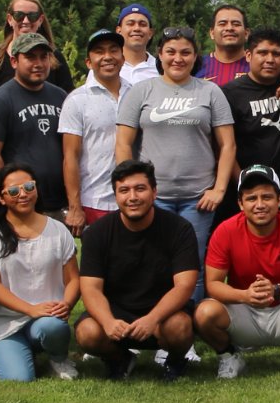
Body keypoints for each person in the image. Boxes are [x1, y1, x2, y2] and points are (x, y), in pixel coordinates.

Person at [115, 25, 237, 292]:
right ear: (160, 54)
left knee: (193, 259)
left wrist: (219, 189)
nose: (178, 58)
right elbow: (123, 142)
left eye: (185, 52)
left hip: (198, 198)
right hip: (153, 196)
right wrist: (130, 187)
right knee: (152, 257)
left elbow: (227, 145)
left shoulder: (210, 92)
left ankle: (192, 316)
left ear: (196, 57)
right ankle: (155, 313)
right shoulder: (141, 91)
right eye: (171, 52)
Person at [194, 165, 280, 381]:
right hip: (244, 308)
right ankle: (229, 356)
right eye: (251, 198)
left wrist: (277, 290)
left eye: (267, 197)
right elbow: (213, 284)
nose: (259, 205)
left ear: (279, 199)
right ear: (240, 203)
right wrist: (244, 296)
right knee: (204, 312)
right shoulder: (225, 230)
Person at [75, 160, 201, 381]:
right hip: (117, 315)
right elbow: (90, 288)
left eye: (140, 189)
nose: (132, 197)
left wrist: (152, 319)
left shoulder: (179, 229)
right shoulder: (96, 233)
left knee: (180, 327)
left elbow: (185, 285)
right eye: (124, 190)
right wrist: (107, 322)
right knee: (87, 333)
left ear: (154, 192)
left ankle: (175, 361)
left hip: (163, 315)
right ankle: (119, 359)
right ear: (115, 196)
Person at [0, 165, 81, 382]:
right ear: (1, 198)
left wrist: (66, 305)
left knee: (53, 327)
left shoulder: (58, 229)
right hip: (3, 324)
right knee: (19, 379)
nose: (23, 194)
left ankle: (58, 358)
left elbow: (73, 280)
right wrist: (30, 309)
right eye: (13, 191)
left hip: (46, 319)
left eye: (29, 187)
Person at [220, 26, 280, 222]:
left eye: (276, 54)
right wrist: (242, 185)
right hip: (247, 188)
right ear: (248, 55)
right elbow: (225, 146)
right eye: (262, 53)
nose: (270, 59)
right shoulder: (230, 93)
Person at [0, 32, 69, 214]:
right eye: (30, 57)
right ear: (14, 62)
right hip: (22, 203)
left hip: (59, 202)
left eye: (43, 57)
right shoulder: (0, 100)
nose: (38, 64)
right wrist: (9, 197)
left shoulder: (61, 96)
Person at [61, 29, 127, 236]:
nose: (107, 57)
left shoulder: (137, 95)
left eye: (113, 50)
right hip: (94, 201)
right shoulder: (76, 100)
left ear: (123, 58)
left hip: (132, 200)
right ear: (88, 62)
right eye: (99, 52)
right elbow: (70, 156)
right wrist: (75, 207)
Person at [0, 0, 75, 96]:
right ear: (10, 19)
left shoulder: (55, 57)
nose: (26, 21)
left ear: (40, 20)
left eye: (32, 16)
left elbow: (68, 98)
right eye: (19, 16)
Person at [196, 3, 251, 86]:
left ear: (246, 33)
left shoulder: (258, 65)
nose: (229, 28)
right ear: (212, 33)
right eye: (222, 24)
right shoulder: (196, 66)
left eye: (236, 24)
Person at [115, 3, 160, 87]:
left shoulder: (161, 69)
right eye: (130, 23)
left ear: (150, 33)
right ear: (119, 31)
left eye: (142, 24)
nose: (136, 28)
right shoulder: (106, 67)